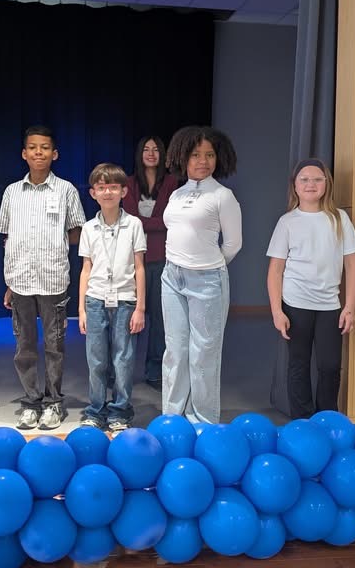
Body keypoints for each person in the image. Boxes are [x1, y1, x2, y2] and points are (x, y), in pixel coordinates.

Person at [0, 125, 86, 431]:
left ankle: (54, 402)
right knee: (24, 345)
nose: (38, 152)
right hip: (20, 281)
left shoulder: (66, 190)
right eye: (32, 147)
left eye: (45, 147)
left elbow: (76, 231)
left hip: (53, 280)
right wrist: (9, 281)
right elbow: (7, 237)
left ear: (54, 153)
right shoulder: (11, 192)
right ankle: (30, 401)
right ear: (24, 153)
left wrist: (53, 248)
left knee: (54, 345)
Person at [266, 158, 355, 419]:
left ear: (326, 184)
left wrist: (349, 307)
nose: (311, 184)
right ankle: (303, 422)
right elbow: (275, 270)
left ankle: (327, 420)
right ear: (295, 186)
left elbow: (353, 266)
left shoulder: (340, 219)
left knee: (330, 367)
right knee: (298, 365)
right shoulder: (287, 222)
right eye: (304, 179)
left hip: (330, 305)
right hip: (295, 304)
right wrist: (277, 311)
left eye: (317, 179)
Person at [161, 126, 242, 424]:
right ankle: (172, 417)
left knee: (203, 353)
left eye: (209, 155)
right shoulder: (177, 193)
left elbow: (233, 244)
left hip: (207, 280)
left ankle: (204, 421)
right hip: (172, 278)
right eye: (195, 155)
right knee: (176, 349)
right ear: (183, 157)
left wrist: (208, 266)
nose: (203, 161)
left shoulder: (223, 195)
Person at [78, 163, 147, 432]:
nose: (107, 192)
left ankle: (120, 410)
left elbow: (139, 267)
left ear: (123, 191)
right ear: (93, 193)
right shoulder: (88, 228)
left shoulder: (134, 225)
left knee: (123, 359)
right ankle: (95, 409)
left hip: (125, 301)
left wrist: (140, 307)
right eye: (101, 187)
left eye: (113, 187)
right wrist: (82, 309)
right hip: (95, 300)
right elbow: (86, 269)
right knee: (96, 360)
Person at [123, 136, 179, 390]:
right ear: (139, 153)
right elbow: (129, 218)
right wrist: (156, 223)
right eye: (146, 149)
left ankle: (154, 370)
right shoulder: (129, 183)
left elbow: (170, 220)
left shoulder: (171, 183)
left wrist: (144, 223)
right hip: (131, 259)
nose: (151, 153)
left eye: (156, 149)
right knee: (127, 316)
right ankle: (121, 370)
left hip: (161, 257)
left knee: (159, 317)